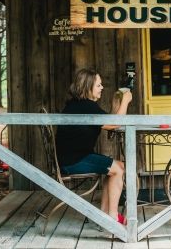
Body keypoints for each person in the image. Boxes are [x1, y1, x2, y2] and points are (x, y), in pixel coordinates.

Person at [55, 68, 132, 225]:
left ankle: (104, 214)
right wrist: (125, 101)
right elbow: (115, 124)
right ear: (87, 87)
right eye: (98, 85)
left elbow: (109, 122)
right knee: (118, 169)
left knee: (117, 167)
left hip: (74, 156)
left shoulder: (80, 105)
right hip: (74, 160)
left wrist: (115, 104)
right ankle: (112, 217)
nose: (102, 88)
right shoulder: (86, 106)